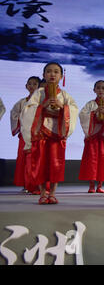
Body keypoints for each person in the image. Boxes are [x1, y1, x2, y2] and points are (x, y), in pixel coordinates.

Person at [20, 62, 78, 205]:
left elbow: (73, 110)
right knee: (41, 163)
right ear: (44, 75)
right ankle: (42, 193)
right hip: (41, 132)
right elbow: (28, 110)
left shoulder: (65, 95)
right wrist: (42, 107)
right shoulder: (38, 93)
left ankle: (52, 193)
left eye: (56, 72)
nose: (52, 74)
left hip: (57, 133)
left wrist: (62, 107)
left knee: (55, 164)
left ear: (61, 76)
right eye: (49, 71)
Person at [78, 80, 104, 193]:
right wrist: (93, 113)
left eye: (103, 88)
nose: (100, 90)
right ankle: (91, 185)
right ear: (94, 90)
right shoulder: (90, 104)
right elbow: (82, 115)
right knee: (92, 161)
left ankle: (100, 185)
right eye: (98, 88)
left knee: (103, 162)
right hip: (93, 137)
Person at [10, 76, 41, 194]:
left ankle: (38, 185)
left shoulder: (41, 101)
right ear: (26, 86)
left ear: (39, 87)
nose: (32, 86)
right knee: (24, 160)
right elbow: (14, 114)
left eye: (35, 84)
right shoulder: (22, 102)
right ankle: (26, 184)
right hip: (24, 136)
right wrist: (21, 122)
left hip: (38, 135)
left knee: (37, 160)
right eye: (30, 84)